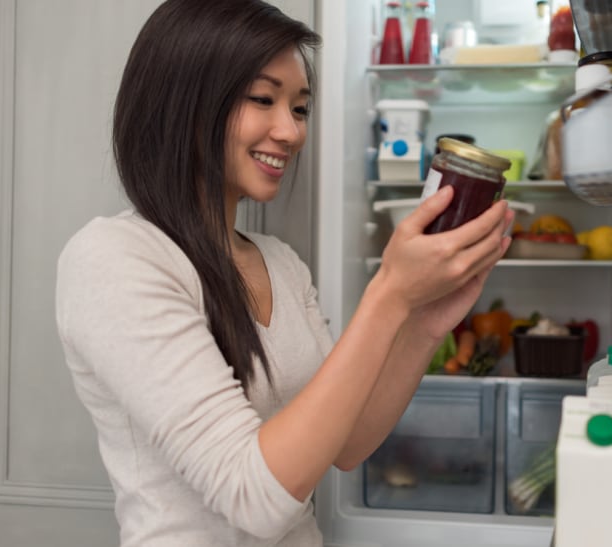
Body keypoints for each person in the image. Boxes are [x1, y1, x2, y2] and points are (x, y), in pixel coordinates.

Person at [54, 1, 513, 545]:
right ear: (185, 102)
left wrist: (423, 322)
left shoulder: (280, 262)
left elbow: (347, 443)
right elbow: (255, 499)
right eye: (263, 99)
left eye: (299, 108)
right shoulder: (114, 258)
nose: (291, 131)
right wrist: (389, 292)